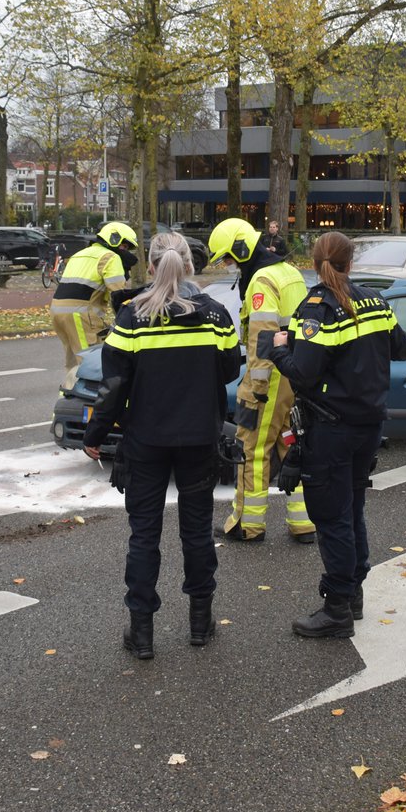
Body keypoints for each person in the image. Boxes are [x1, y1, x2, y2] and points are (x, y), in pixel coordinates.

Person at [83, 233, 242, 660]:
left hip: (146, 441)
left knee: (144, 536)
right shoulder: (215, 314)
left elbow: (113, 385)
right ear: (189, 265)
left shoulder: (132, 316)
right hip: (199, 439)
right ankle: (199, 623)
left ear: (150, 267)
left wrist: (95, 434)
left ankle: (142, 633)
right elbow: (230, 369)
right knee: (197, 532)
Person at [266, 232, 406, 638]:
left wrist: (277, 348)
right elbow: (403, 348)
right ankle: (353, 595)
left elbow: (303, 373)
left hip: (331, 429)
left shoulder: (317, 309)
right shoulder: (375, 300)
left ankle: (336, 610)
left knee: (332, 518)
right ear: (350, 263)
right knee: (351, 509)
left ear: (315, 264)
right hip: (369, 426)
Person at [207, 216, 314, 543]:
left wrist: (256, 388)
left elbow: (263, 340)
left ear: (240, 249)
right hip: (296, 373)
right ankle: (304, 523)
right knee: (291, 444)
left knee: (250, 449)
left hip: (271, 379)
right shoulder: (290, 272)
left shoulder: (262, 281)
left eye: (228, 258)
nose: (228, 265)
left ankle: (247, 525)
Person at [51, 221, 138, 381]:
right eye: (125, 246)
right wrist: (128, 320)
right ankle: (88, 397)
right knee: (91, 365)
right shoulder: (110, 257)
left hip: (57, 312)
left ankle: (69, 394)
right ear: (114, 240)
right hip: (81, 315)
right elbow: (119, 295)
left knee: (73, 364)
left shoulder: (80, 254)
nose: (125, 251)